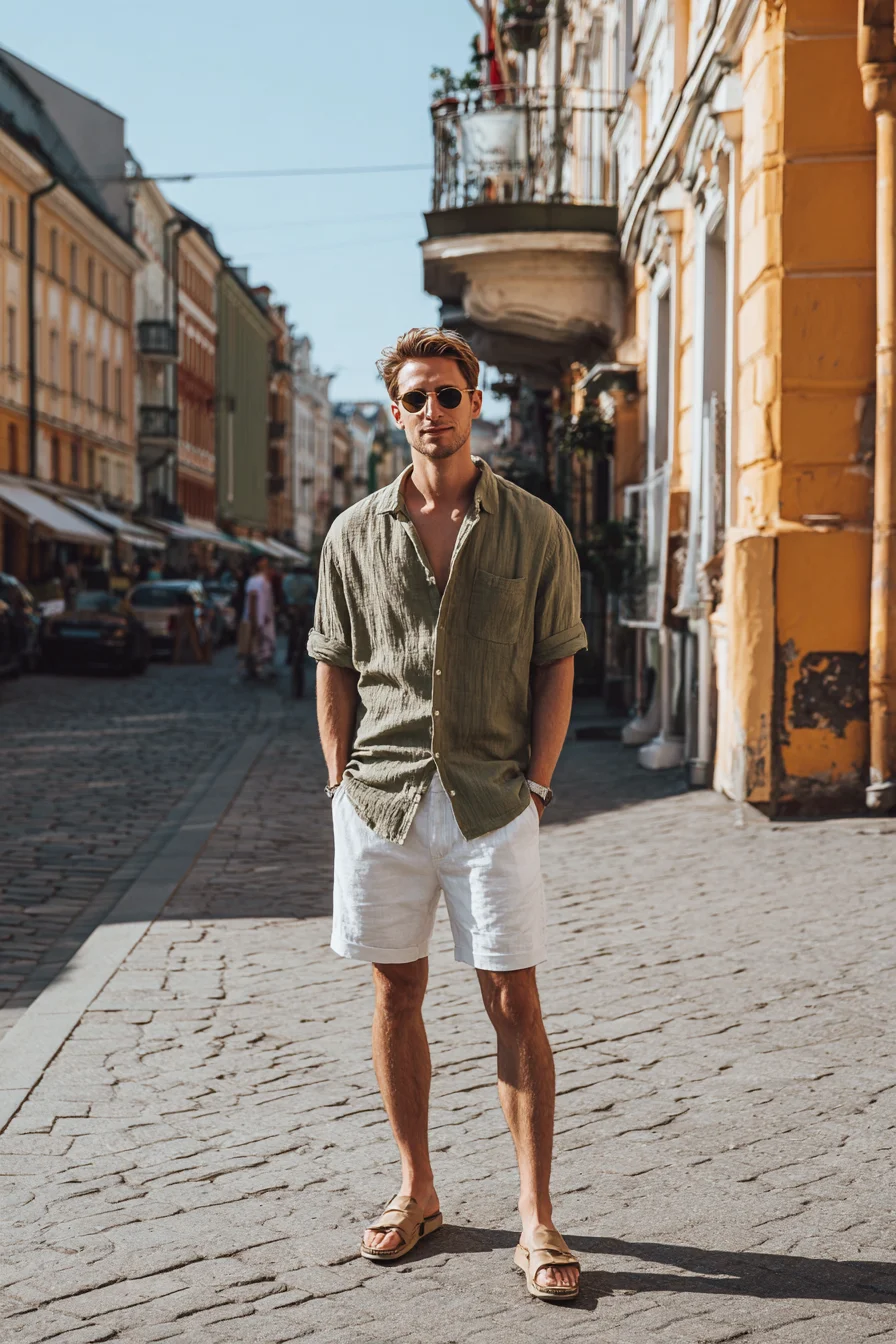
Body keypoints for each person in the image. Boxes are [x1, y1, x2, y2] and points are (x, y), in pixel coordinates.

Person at [309, 328, 587, 1302]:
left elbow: (556, 660)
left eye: (448, 396)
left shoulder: (533, 528)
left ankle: (534, 1214)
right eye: (415, 398)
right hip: (379, 803)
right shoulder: (351, 533)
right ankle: (417, 1187)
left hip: (491, 799)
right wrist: (339, 779)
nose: (433, 412)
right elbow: (331, 661)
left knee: (514, 1001)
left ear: (475, 406)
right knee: (395, 994)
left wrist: (540, 781)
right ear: (394, 414)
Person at [241, 555, 276, 677]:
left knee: (261, 644)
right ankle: (254, 668)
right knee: (256, 644)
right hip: (258, 618)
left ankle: (257, 667)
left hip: (264, 618)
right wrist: (255, 619)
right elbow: (252, 599)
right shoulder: (256, 581)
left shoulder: (262, 580)